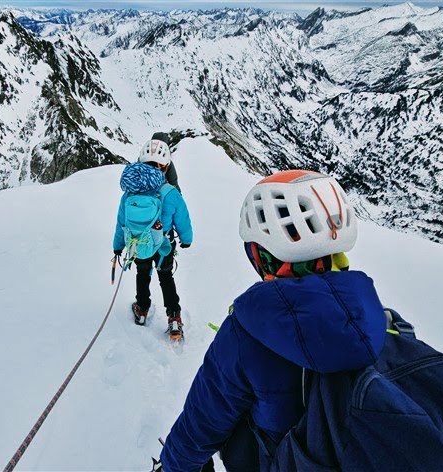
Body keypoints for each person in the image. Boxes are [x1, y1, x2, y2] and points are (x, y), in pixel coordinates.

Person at [159, 170, 386, 470]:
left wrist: (172, 466)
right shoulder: (379, 319)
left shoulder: (247, 333)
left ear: (261, 256)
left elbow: (200, 426)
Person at [113, 142, 193, 339]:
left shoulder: (129, 193)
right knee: (166, 277)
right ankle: (174, 318)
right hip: (163, 245)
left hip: (138, 244)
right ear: (165, 166)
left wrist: (118, 246)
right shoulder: (171, 193)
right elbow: (182, 219)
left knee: (142, 274)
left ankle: (141, 310)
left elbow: (121, 222)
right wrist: (186, 239)